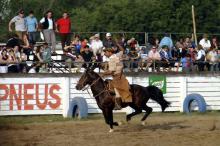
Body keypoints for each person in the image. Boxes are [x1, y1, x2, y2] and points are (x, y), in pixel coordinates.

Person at [101, 43, 132, 110]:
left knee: (116, 90)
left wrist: (103, 74)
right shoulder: (117, 55)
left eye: (105, 52)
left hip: (117, 77)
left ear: (109, 52)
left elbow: (111, 71)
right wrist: (118, 44)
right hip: (121, 75)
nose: (105, 54)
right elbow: (122, 50)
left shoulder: (111, 59)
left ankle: (118, 105)